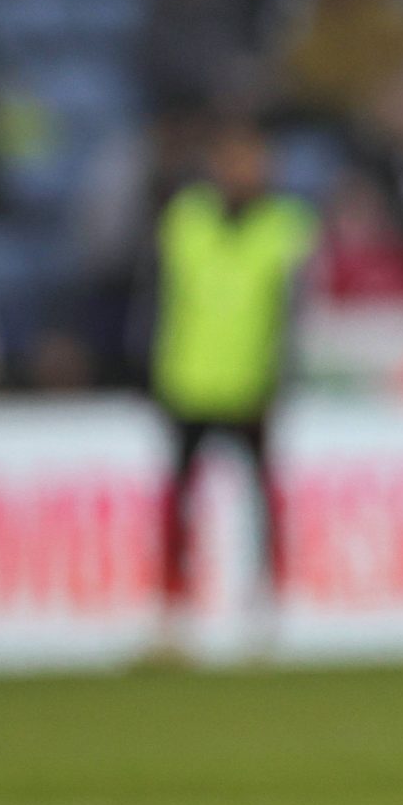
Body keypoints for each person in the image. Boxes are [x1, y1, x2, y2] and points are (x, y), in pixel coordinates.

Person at [146, 118, 315, 647]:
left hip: (251, 384)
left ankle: (264, 608)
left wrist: (283, 377)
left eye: (251, 160)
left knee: (262, 502)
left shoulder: (287, 225)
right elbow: (156, 299)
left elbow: (297, 312)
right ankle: (174, 611)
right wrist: (146, 371)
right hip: (187, 381)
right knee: (179, 503)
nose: (242, 171)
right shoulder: (185, 218)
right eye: (233, 160)